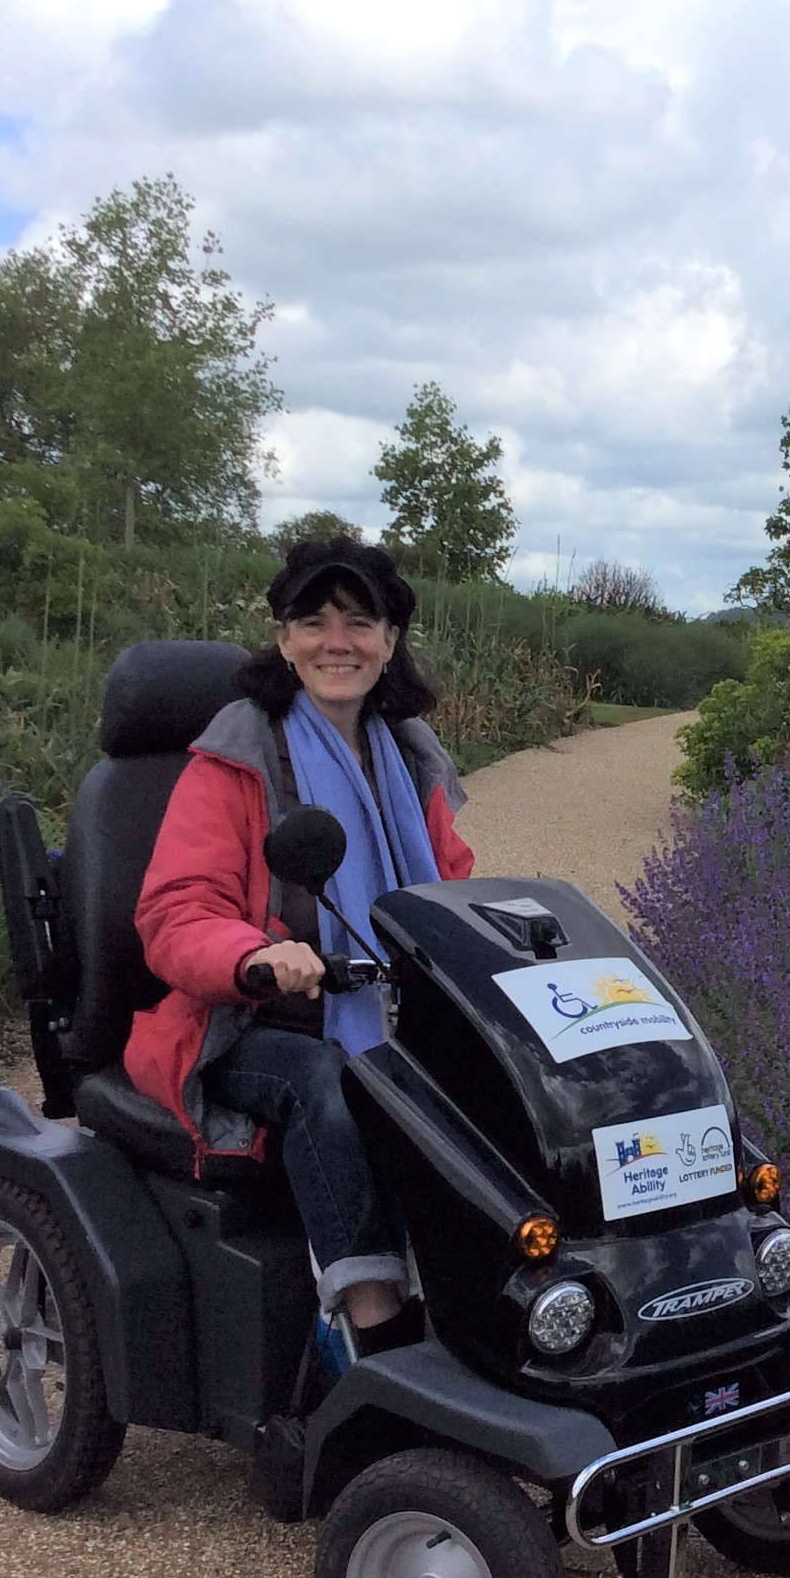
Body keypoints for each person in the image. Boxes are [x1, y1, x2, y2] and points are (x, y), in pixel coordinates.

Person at [124, 537, 475, 1365]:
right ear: (283, 640)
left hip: (383, 1010)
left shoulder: (409, 754)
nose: (336, 642)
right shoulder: (234, 759)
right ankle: (375, 1325)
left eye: (359, 622)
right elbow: (175, 912)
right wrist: (254, 955)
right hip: (245, 1027)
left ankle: (490, 1300)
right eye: (312, 622)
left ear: (390, 641)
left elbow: (451, 888)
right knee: (331, 1080)